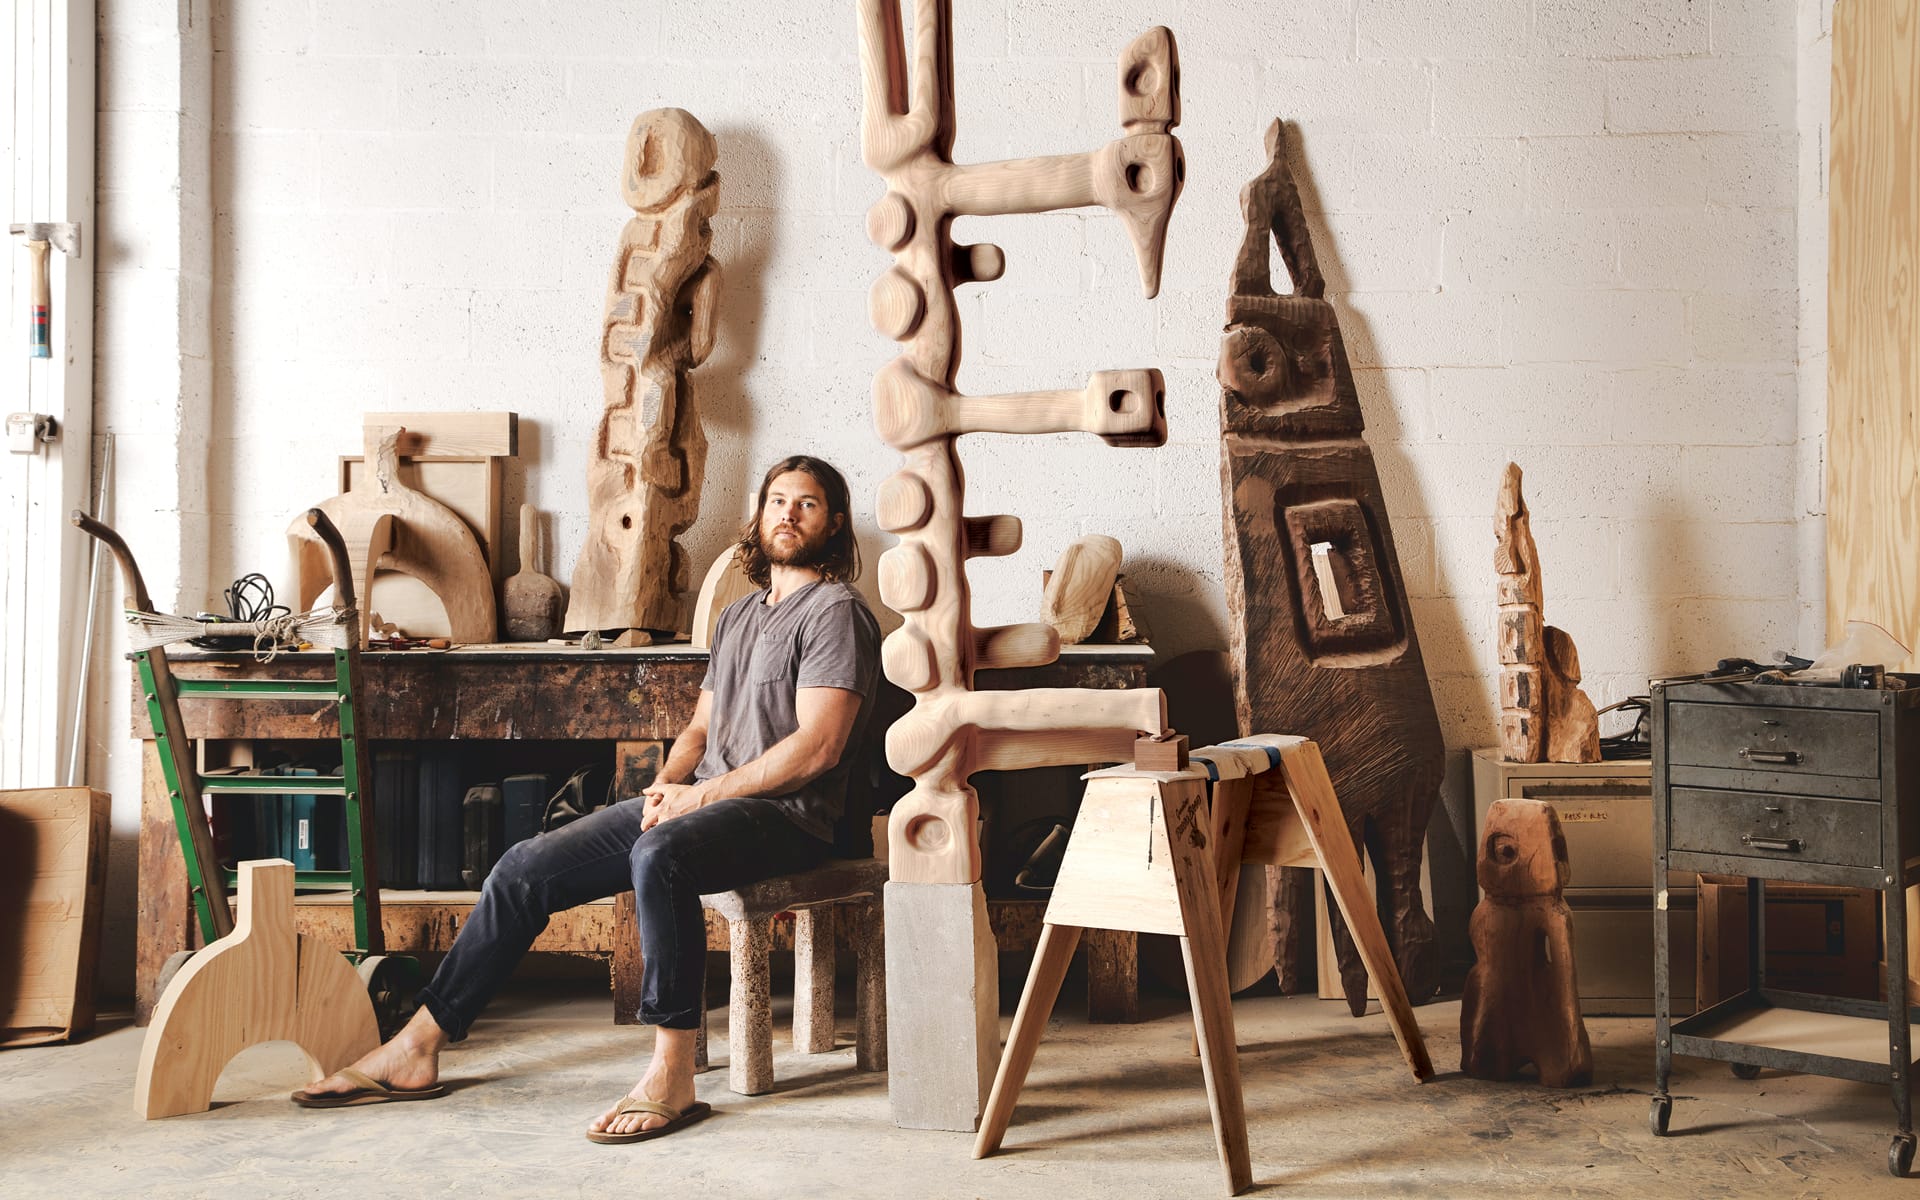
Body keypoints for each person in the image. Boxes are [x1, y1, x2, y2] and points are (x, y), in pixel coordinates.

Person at [291, 455, 882, 1145]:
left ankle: (672, 1074)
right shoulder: (739, 617)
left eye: (806, 504)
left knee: (660, 855)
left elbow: (818, 748)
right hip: (706, 804)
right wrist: (667, 787)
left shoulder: (836, 612)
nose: (788, 514)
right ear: (759, 515)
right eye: (777, 500)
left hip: (790, 817)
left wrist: (697, 800)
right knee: (523, 869)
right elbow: (700, 728)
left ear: (833, 523)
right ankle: (418, 1045)